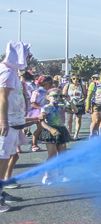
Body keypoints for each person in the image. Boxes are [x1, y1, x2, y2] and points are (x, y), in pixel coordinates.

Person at [0, 42, 31, 213]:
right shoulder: (6, 72)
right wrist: (3, 121)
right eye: (26, 53)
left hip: (13, 122)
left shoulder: (11, 72)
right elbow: (2, 97)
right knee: (2, 158)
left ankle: (2, 191)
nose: (28, 57)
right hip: (7, 124)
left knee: (9, 156)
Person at [37, 88, 70, 185]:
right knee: (52, 155)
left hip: (61, 129)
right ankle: (48, 175)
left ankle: (61, 174)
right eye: (54, 96)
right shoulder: (46, 108)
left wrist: (68, 100)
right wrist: (51, 129)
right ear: (48, 97)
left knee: (62, 154)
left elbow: (75, 110)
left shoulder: (62, 106)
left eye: (59, 96)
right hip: (50, 130)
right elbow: (41, 121)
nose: (57, 98)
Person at [28, 75, 52, 151]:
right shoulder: (37, 91)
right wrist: (42, 108)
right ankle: (34, 145)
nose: (51, 84)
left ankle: (40, 142)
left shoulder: (49, 92)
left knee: (42, 128)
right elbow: (32, 103)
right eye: (50, 83)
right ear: (44, 83)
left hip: (46, 112)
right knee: (40, 128)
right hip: (38, 112)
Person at [63, 75, 86, 139]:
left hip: (79, 104)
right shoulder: (67, 85)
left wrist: (82, 100)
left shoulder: (82, 86)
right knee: (69, 120)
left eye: (77, 79)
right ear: (71, 79)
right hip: (69, 104)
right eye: (74, 78)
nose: (75, 80)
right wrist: (68, 100)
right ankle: (69, 134)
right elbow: (64, 94)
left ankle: (76, 134)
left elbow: (85, 95)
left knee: (78, 120)